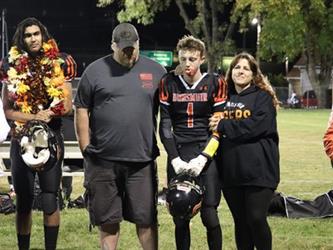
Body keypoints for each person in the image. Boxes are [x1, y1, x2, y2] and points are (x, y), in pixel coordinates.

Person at [74, 22, 166, 250]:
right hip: (103, 161)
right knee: (109, 221)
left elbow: (171, 109)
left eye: (132, 47)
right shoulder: (94, 71)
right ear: (112, 45)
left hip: (141, 161)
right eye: (123, 48)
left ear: (138, 44)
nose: (129, 52)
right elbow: (81, 108)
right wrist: (86, 148)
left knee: (146, 220)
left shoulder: (157, 72)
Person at [0, 17, 76, 250]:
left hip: (51, 139)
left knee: (50, 198)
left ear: (43, 35)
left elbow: (67, 105)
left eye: (36, 34)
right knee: (23, 202)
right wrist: (34, 117)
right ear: (20, 39)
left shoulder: (60, 62)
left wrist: (47, 114)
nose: (33, 38)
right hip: (21, 139)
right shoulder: (10, 65)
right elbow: (8, 111)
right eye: (27, 35)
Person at [159, 35, 227, 250]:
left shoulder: (215, 82)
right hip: (178, 151)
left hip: (205, 152)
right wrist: (174, 158)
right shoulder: (168, 82)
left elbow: (219, 127)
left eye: (192, 59)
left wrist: (204, 157)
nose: (187, 64)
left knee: (210, 215)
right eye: (183, 58)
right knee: (180, 214)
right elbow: (164, 125)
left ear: (202, 59)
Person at [209, 52, 280, 250]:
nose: (241, 71)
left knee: (256, 218)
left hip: (260, 171)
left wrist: (223, 125)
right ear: (230, 72)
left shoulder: (263, 97)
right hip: (231, 172)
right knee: (240, 222)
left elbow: (256, 127)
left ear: (253, 74)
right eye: (237, 67)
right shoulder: (223, 99)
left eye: (246, 68)